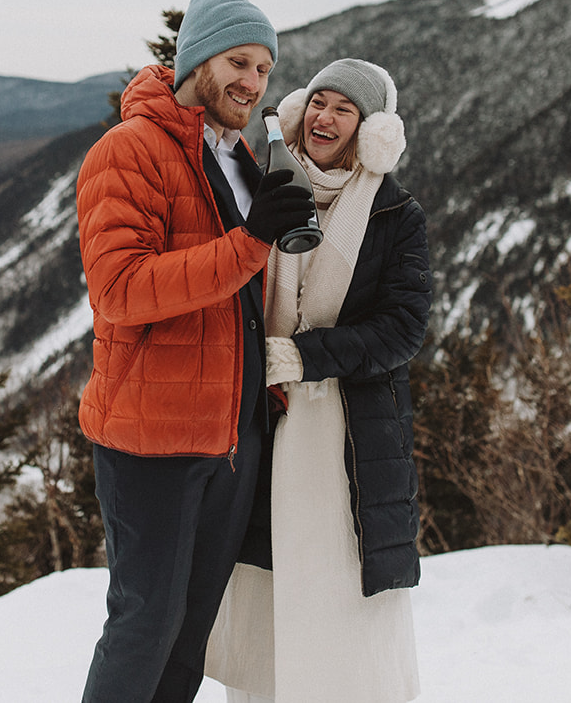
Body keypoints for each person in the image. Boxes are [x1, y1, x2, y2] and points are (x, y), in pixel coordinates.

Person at [76, 0, 317, 703]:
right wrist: (250, 243)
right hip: (152, 441)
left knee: (189, 633)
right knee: (145, 624)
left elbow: (243, 296)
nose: (252, 81)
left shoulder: (240, 156)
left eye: (264, 69)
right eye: (238, 61)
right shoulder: (130, 151)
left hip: (230, 437)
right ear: (198, 61)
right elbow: (120, 289)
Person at [205, 58, 432, 703]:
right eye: (319, 102)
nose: (324, 118)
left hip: (348, 434)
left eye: (344, 109)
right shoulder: (264, 191)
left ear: (371, 131)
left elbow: (404, 327)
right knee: (265, 581)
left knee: (336, 585)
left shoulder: (395, 215)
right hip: (263, 419)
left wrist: (308, 356)